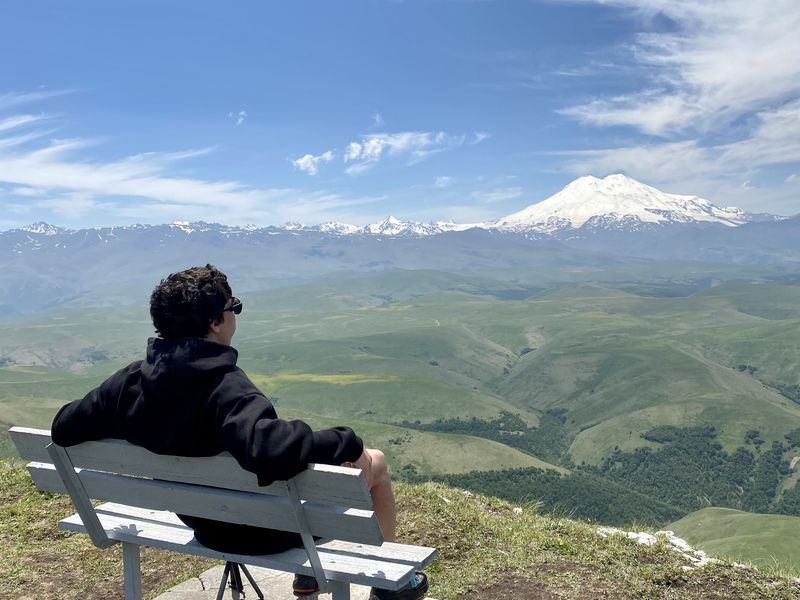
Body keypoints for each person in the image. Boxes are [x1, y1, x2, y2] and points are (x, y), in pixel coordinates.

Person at [51, 264, 427, 600]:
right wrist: (346, 441)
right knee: (374, 462)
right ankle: (390, 587)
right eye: (235, 307)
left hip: (200, 520)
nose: (236, 315)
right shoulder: (226, 387)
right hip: (262, 530)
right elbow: (268, 452)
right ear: (216, 322)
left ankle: (309, 578)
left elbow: (64, 426)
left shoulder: (130, 380)